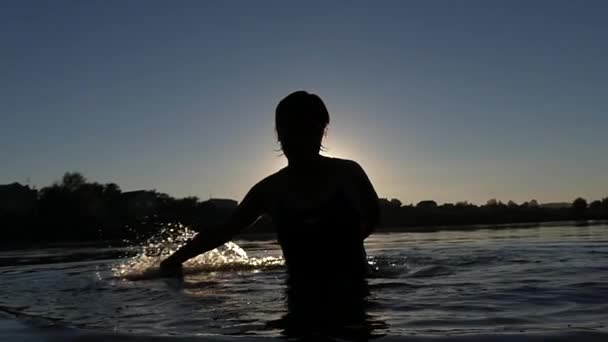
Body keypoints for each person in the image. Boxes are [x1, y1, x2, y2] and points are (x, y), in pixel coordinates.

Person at [159, 90, 380, 334]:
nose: (300, 138)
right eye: (291, 129)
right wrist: (172, 261)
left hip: (356, 290)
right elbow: (223, 231)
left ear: (322, 130)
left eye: (309, 128)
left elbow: (373, 217)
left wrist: (339, 244)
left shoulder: (348, 173)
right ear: (279, 133)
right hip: (299, 294)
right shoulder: (269, 190)